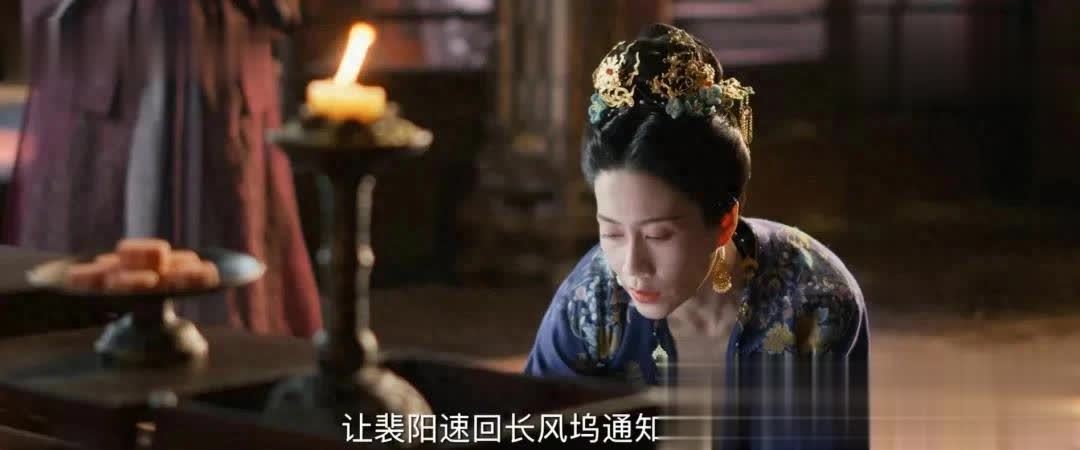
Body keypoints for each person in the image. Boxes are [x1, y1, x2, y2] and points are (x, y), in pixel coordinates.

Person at [524, 24, 869, 449]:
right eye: (611, 232)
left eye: (658, 235)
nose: (631, 267)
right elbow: (533, 432)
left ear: (724, 221)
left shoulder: (811, 300)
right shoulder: (592, 299)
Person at [4, 0, 322, 337]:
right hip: (102, 54)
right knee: (87, 231)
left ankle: (227, 348)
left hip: (217, 61)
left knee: (226, 240)